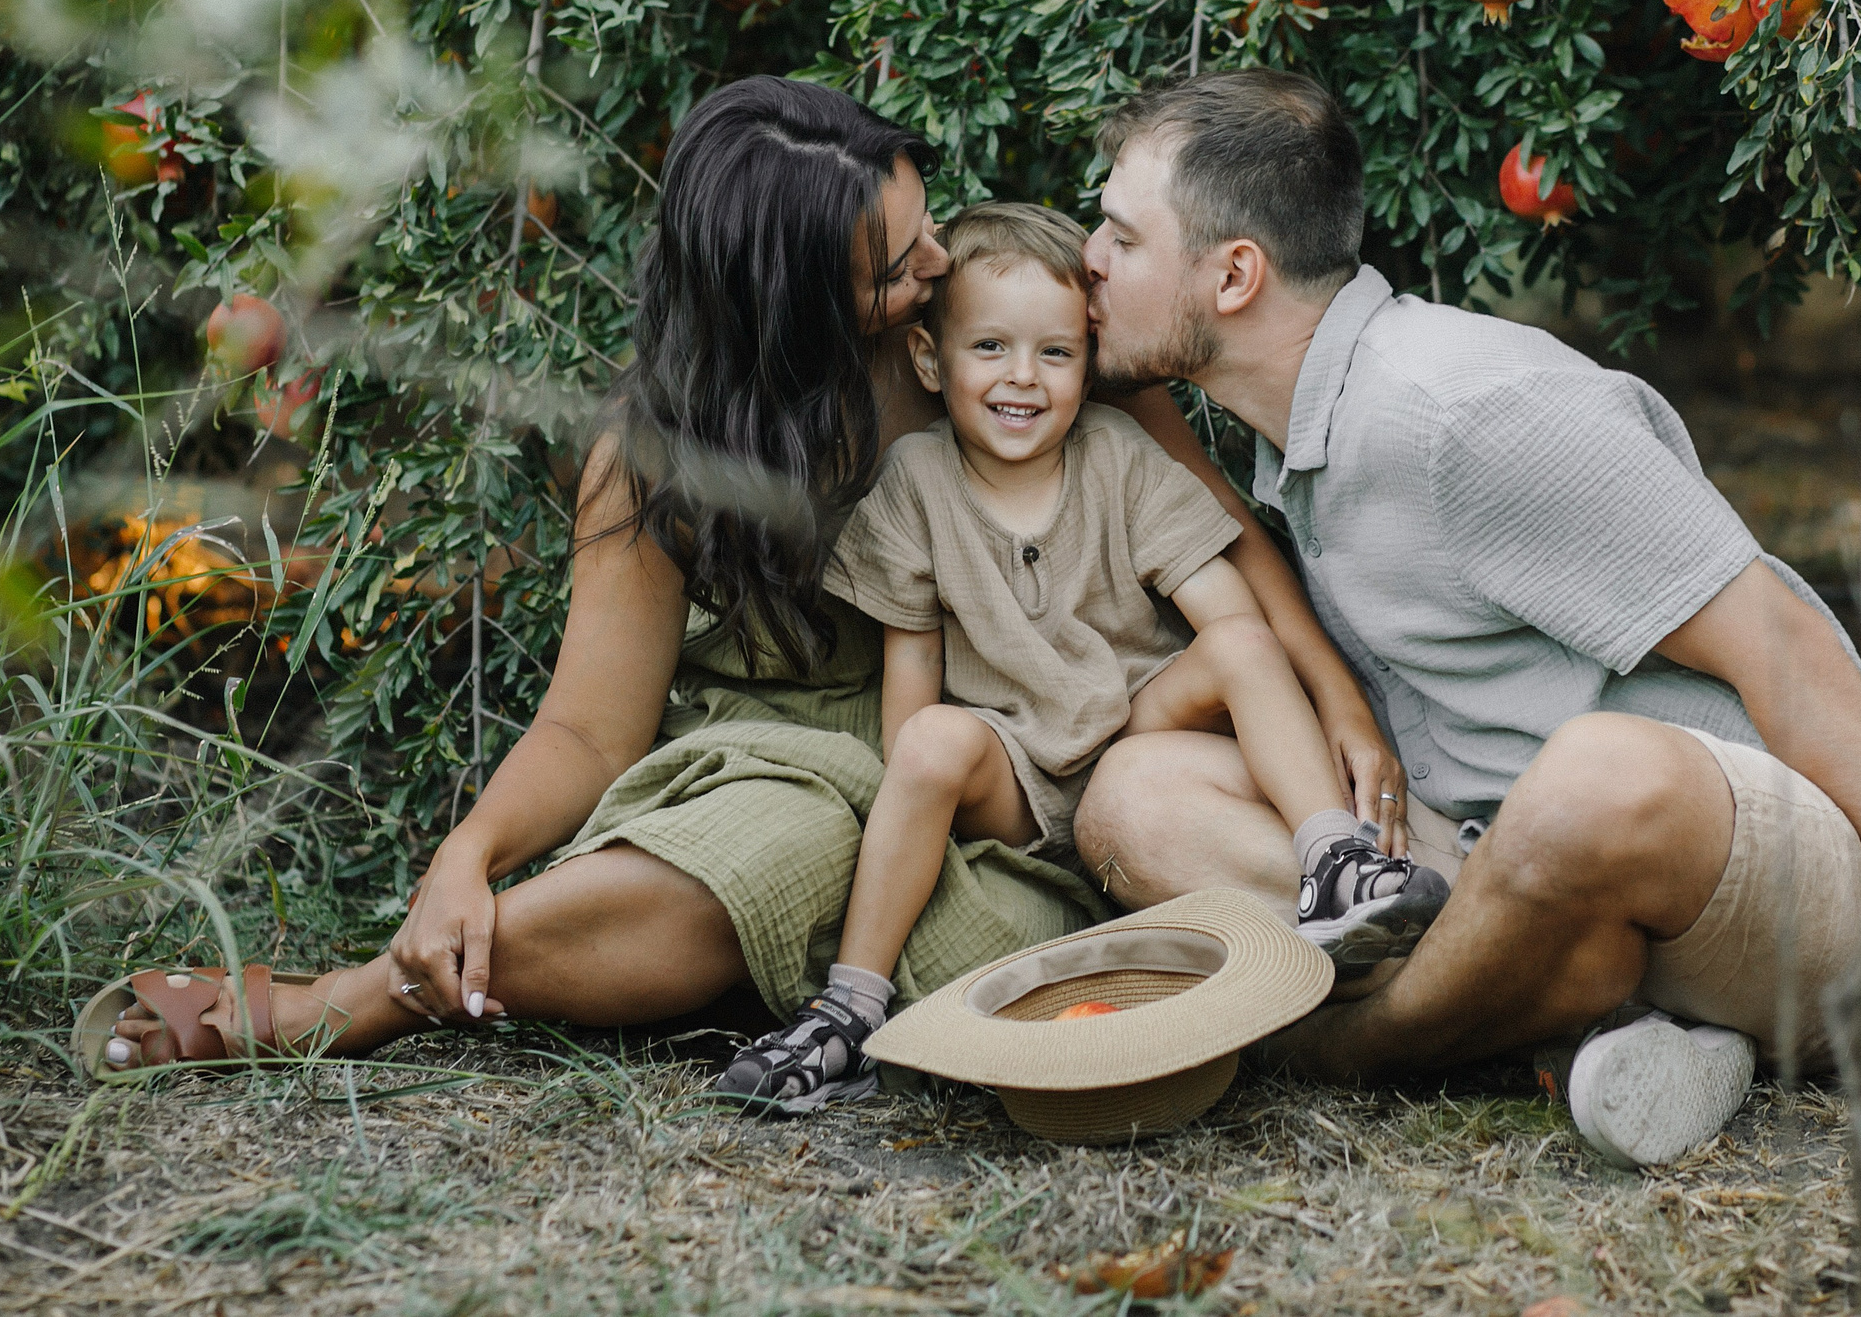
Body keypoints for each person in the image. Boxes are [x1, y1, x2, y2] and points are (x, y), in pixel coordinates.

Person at [92, 77, 1405, 1074]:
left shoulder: (998, 340)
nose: (938, 267)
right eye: (899, 265)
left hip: (995, 754)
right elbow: (591, 723)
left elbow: (1213, 527)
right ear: (798, 307)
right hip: (770, 766)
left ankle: (745, 966)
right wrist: (467, 849)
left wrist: (1333, 694)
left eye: (924, 225)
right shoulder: (653, 460)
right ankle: (362, 993)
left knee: (990, 917)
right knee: (767, 846)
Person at [1067, 68, 1861, 1165]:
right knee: (1135, 798)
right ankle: (1593, 1024)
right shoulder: (1294, 421)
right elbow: (1233, 551)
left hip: (1766, 888)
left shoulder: (1469, 411)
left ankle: (1348, 1049)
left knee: (1593, 777)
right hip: (1508, 865)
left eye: (1117, 235)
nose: (1085, 261)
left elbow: (1797, 658)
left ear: (1236, 273)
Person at [709, 204, 1445, 1112]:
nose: (1023, 378)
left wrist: (1272, 686)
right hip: (1016, 766)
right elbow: (912, 695)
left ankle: (1335, 861)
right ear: (931, 362)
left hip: (1140, 723)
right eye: (990, 348)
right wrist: (923, 804)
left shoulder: (1119, 457)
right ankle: (850, 1013)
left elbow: (1225, 608)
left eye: (1055, 354)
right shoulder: (914, 483)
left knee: (1243, 638)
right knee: (932, 742)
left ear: (1087, 362)